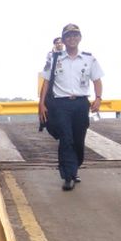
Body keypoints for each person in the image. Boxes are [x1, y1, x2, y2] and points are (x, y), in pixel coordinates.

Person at [38, 23, 103, 191]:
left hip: (81, 104)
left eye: (75, 35)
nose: (72, 39)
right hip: (61, 104)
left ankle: (74, 167)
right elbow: (46, 81)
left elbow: (97, 80)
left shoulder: (89, 58)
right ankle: (68, 175)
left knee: (78, 140)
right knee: (66, 138)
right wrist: (41, 103)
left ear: (80, 38)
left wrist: (98, 98)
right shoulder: (54, 58)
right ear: (63, 40)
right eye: (68, 36)